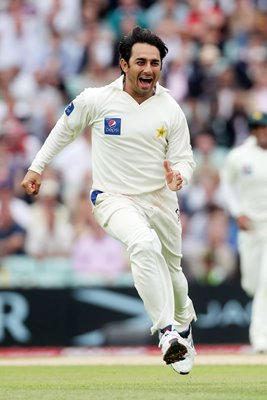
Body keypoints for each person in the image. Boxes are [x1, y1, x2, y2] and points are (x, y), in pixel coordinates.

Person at [20, 26, 197, 374]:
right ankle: (167, 333)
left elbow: (184, 159)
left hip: (161, 201)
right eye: (141, 62)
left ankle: (184, 325)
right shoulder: (96, 100)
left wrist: (180, 176)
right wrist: (37, 167)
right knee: (143, 246)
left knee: (174, 272)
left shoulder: (171, 107)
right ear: (123, 64)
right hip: (113, 198)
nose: (149, 69)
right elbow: (64, 129)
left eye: (156, 63)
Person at [221, 111, 267, 353]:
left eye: (265, 128)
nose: (263, 133)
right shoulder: (239, 156)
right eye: (258, 129)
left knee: (265, 283)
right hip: (249, 228)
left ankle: (259, 339)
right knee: (252, 283)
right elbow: (226, 184)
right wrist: (237, 211)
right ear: (252, 131)